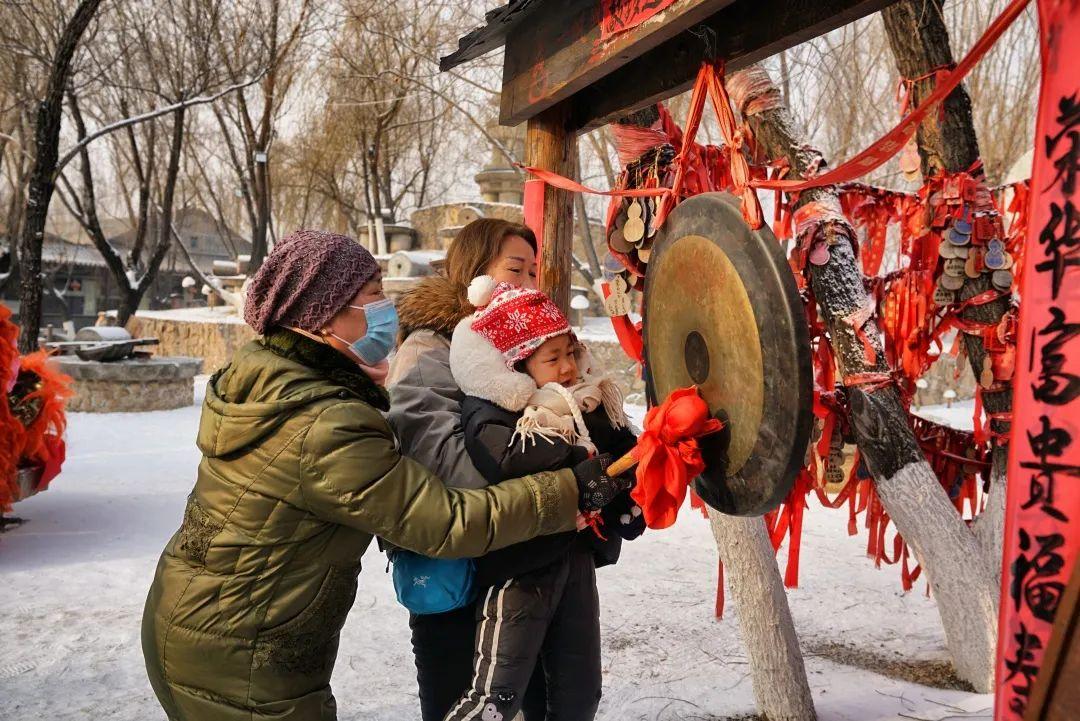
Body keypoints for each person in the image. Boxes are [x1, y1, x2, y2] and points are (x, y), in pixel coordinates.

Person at [140, 229, 629, 721]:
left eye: (532, 271)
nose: (384, 306)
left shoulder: (287, 382)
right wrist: (569, 487)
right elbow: (441, 518)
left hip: (216, 619)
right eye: (373, 294)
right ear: (324, 315)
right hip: (241, 649)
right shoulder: (328, 420)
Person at [441, 277, 644, 721]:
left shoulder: (583, 401)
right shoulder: (492, 407)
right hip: (519, 567)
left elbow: (623, 448)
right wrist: (582, 459)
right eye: (552, 358)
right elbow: (505, 457)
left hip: (576, 563)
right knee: (496, 698)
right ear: (518, 363)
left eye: (570, 353)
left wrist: (623, 471)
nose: (568, 367)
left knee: (579, 694)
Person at [389, 219, 558, 721]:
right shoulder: (429, 348)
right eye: (514, 269)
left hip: (519, 564)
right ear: (473, 273)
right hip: (455, 568)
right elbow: (444, 462)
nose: (527, 284)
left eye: (533, 272)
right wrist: (556, 478)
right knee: (455, 702)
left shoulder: (523, 350)